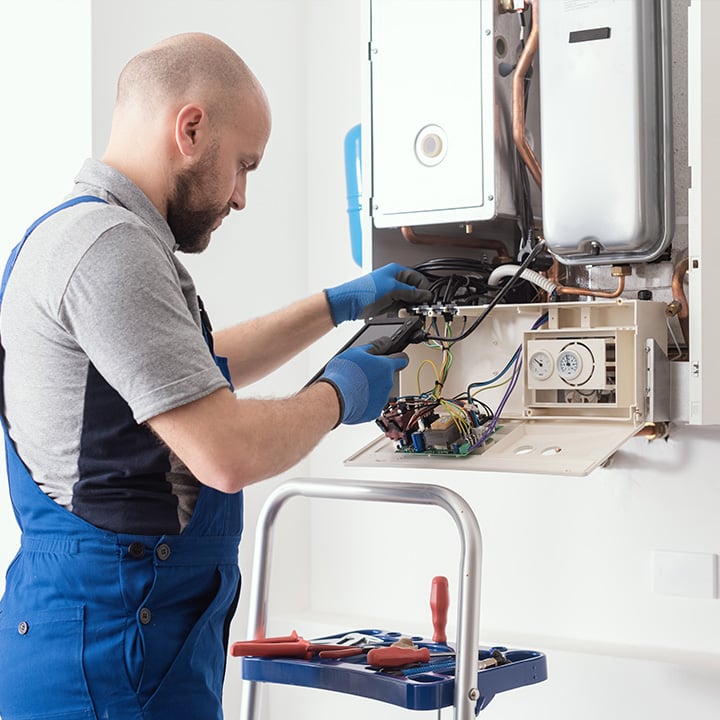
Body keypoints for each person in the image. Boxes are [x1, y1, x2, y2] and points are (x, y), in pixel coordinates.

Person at [0, 32, 430, 720]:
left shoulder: (82, 235)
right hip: (109, 659)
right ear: (191, 128)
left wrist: (334, 306)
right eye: (243, 166)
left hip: (119, 641)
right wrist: (338, 393)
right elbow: (224, 453)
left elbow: (182, 371)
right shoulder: (111, 248)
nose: (241, 198)